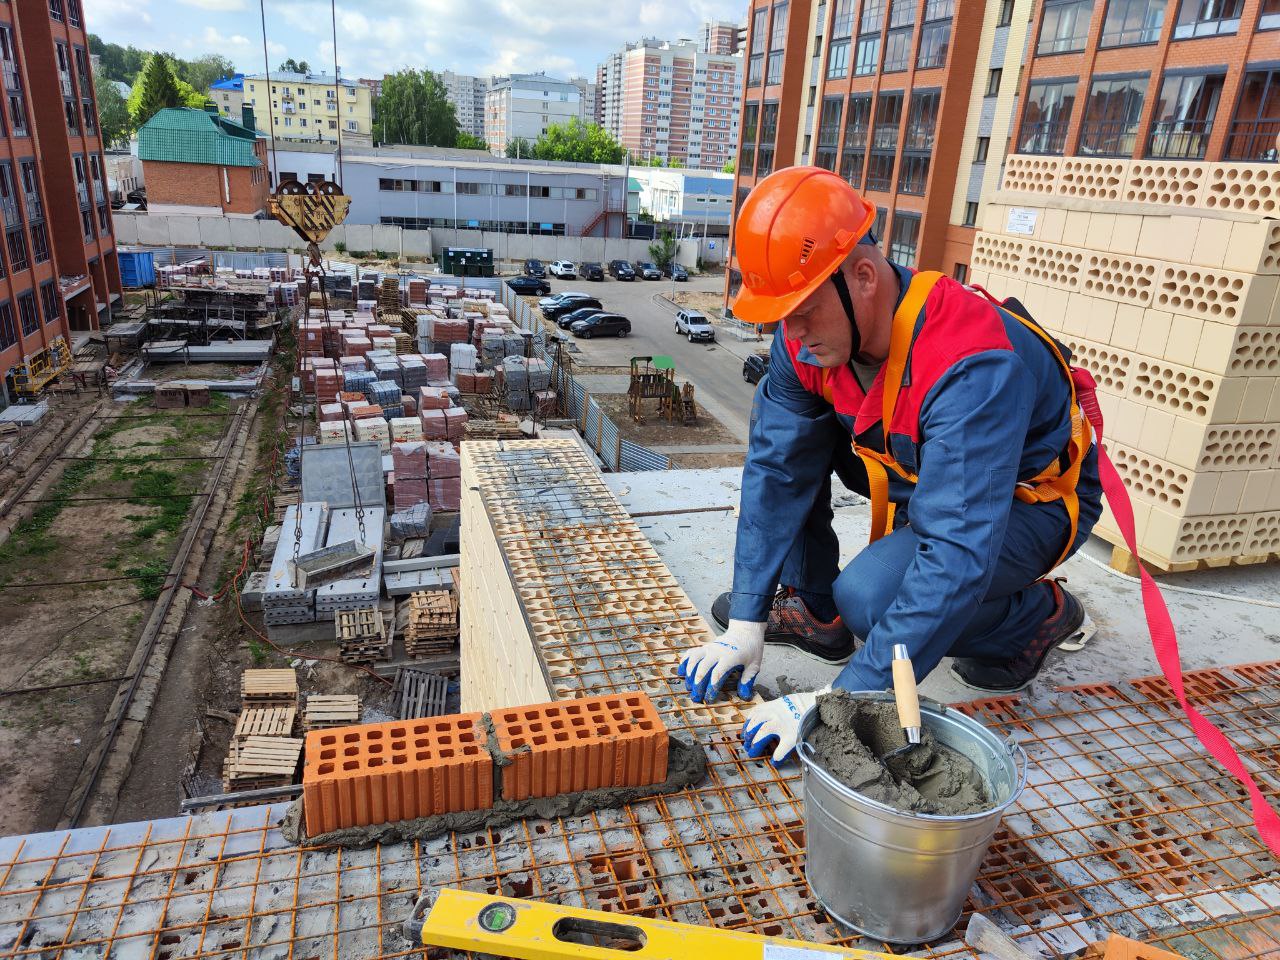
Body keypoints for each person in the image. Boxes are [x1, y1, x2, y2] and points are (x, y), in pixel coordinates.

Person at [678, 167, 1102, 762]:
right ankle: (815, 611)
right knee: (798, 443)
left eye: (801, 312)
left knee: (871, 598)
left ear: (864, 276)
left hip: (1030, 500)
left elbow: (955, 554)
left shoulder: (970, 363)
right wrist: (745, 619)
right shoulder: (809, 338)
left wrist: (840, 701)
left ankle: (1036, 616)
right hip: (924, 469)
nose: (792, 336)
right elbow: (777, 469)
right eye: (780, 318)